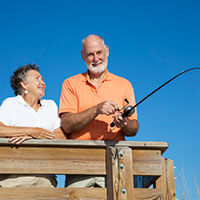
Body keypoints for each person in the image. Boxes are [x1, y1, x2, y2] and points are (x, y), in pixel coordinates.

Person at [59, 34, 139, 188]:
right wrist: (97, 109)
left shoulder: (124, 84)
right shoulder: (70, 83)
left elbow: (134, 128)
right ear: (83, 56)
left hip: (115, 160)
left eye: (99, 52)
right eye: (90, 54)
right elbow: (67, 124)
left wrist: (124, 123)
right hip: (78, 163)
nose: (96, 58)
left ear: (107, 51)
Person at [0, 64, 66, 188]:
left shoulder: (50, 106)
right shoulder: (11, 104)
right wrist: (32, 131)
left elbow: (61, 135)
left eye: (42, 79)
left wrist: (36, 137)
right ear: (24, 84)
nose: (43, 82)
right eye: (37, 78)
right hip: (15, 178)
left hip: (46, 177)